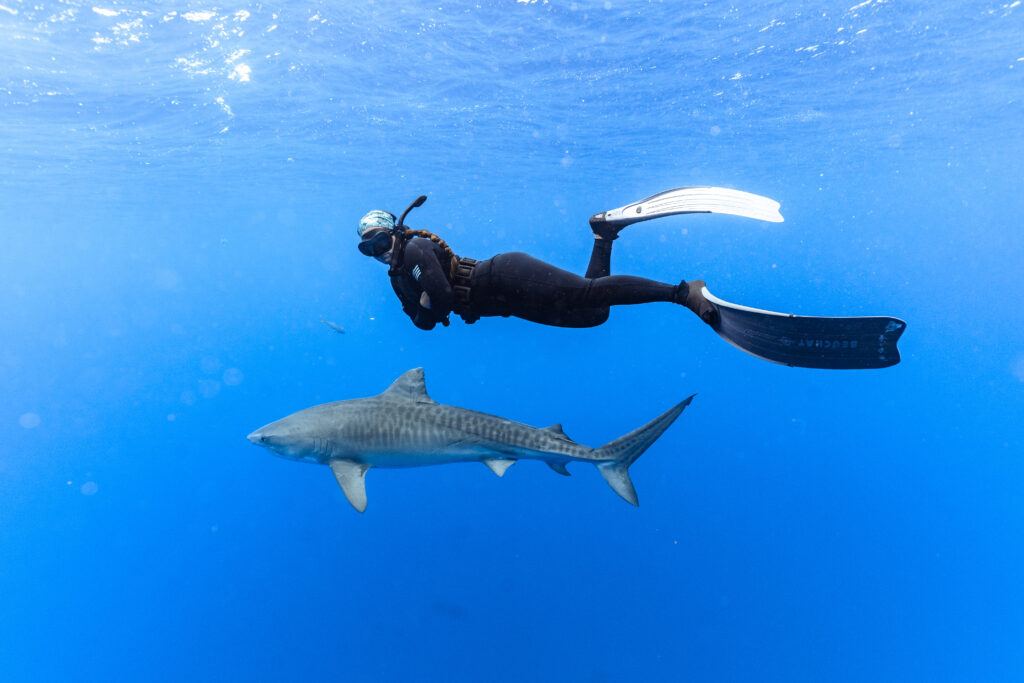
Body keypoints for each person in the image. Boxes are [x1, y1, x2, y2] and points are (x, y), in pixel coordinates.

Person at [356, 190, 906, 369]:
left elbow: (441, 302)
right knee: (593, 315)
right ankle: (605, 234)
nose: (380, 253)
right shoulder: (400, 276)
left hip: (506, 272)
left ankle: (683, 295)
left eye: (382, 241)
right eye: (370, 250)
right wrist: (426, 304)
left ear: (396, 232)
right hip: (507, 303)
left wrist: (428, 301)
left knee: (591, 295)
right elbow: (426, 324)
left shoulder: (419, 248)